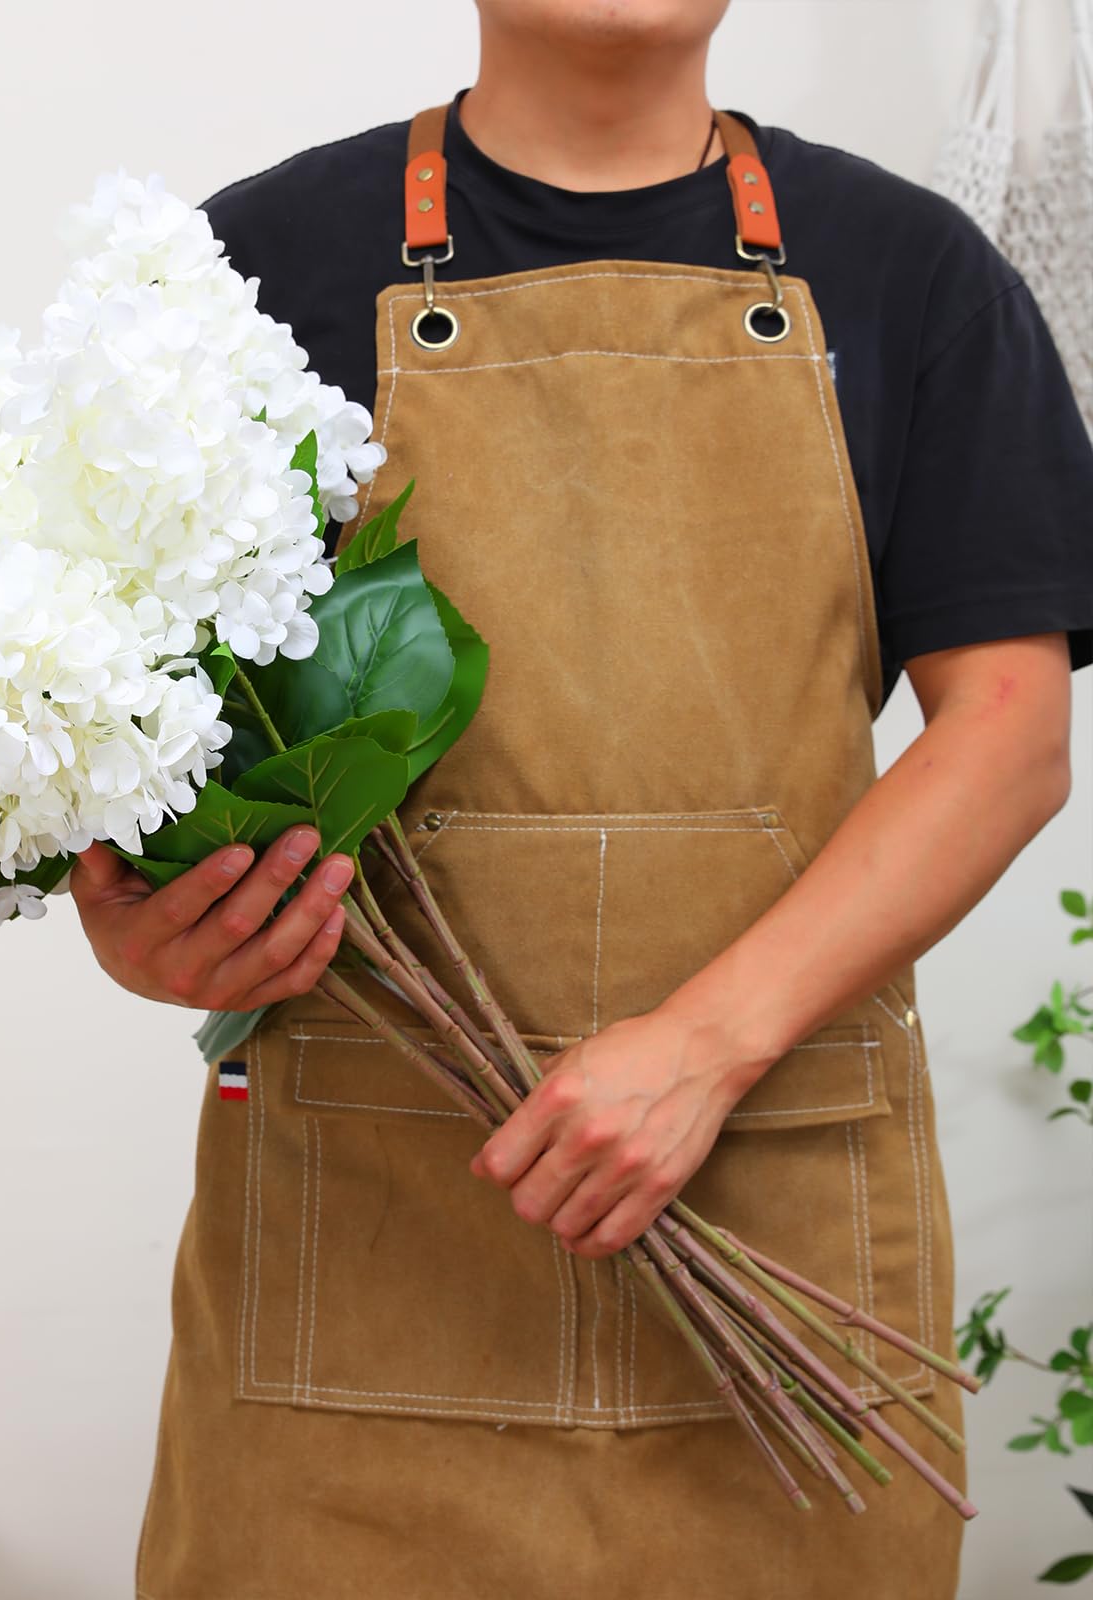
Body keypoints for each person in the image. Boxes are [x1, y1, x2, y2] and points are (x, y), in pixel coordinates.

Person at [69, 2, 1093, 1595]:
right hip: (369, 1266)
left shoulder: (915, 274)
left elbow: (1011, 734)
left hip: (774, 1238)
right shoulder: (248, 271)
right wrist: (147, 932)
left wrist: (705, 1045)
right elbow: (134, 744)